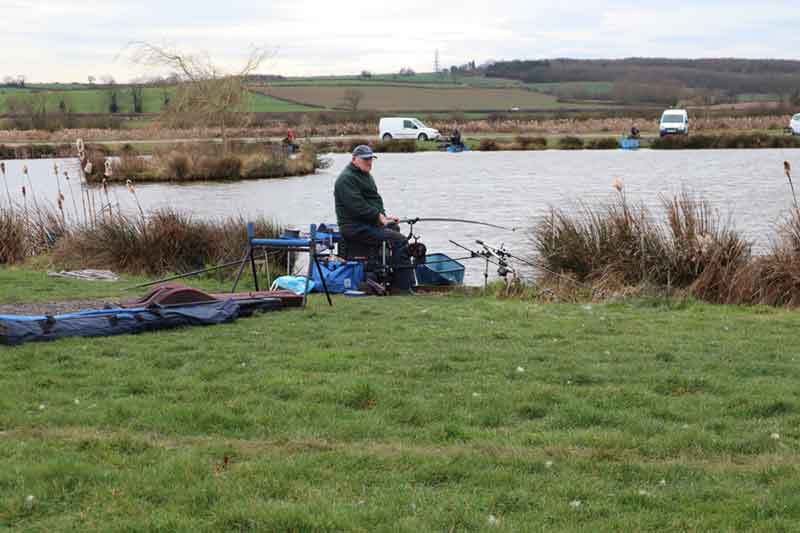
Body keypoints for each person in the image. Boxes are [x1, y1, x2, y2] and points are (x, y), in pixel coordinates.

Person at [334, 145, 415, 294]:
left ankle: (404, 281)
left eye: (371, 159)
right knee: (399, 240)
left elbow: (375, 200)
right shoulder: (346, 179)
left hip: (368, 224)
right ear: (354, 159)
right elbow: (358, 207)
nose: (369, 162)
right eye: (365, 159)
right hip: (354, 228)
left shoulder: (365, 175)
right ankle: (401, 288)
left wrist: (385, 217)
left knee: (394, 229)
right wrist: (378, 218)